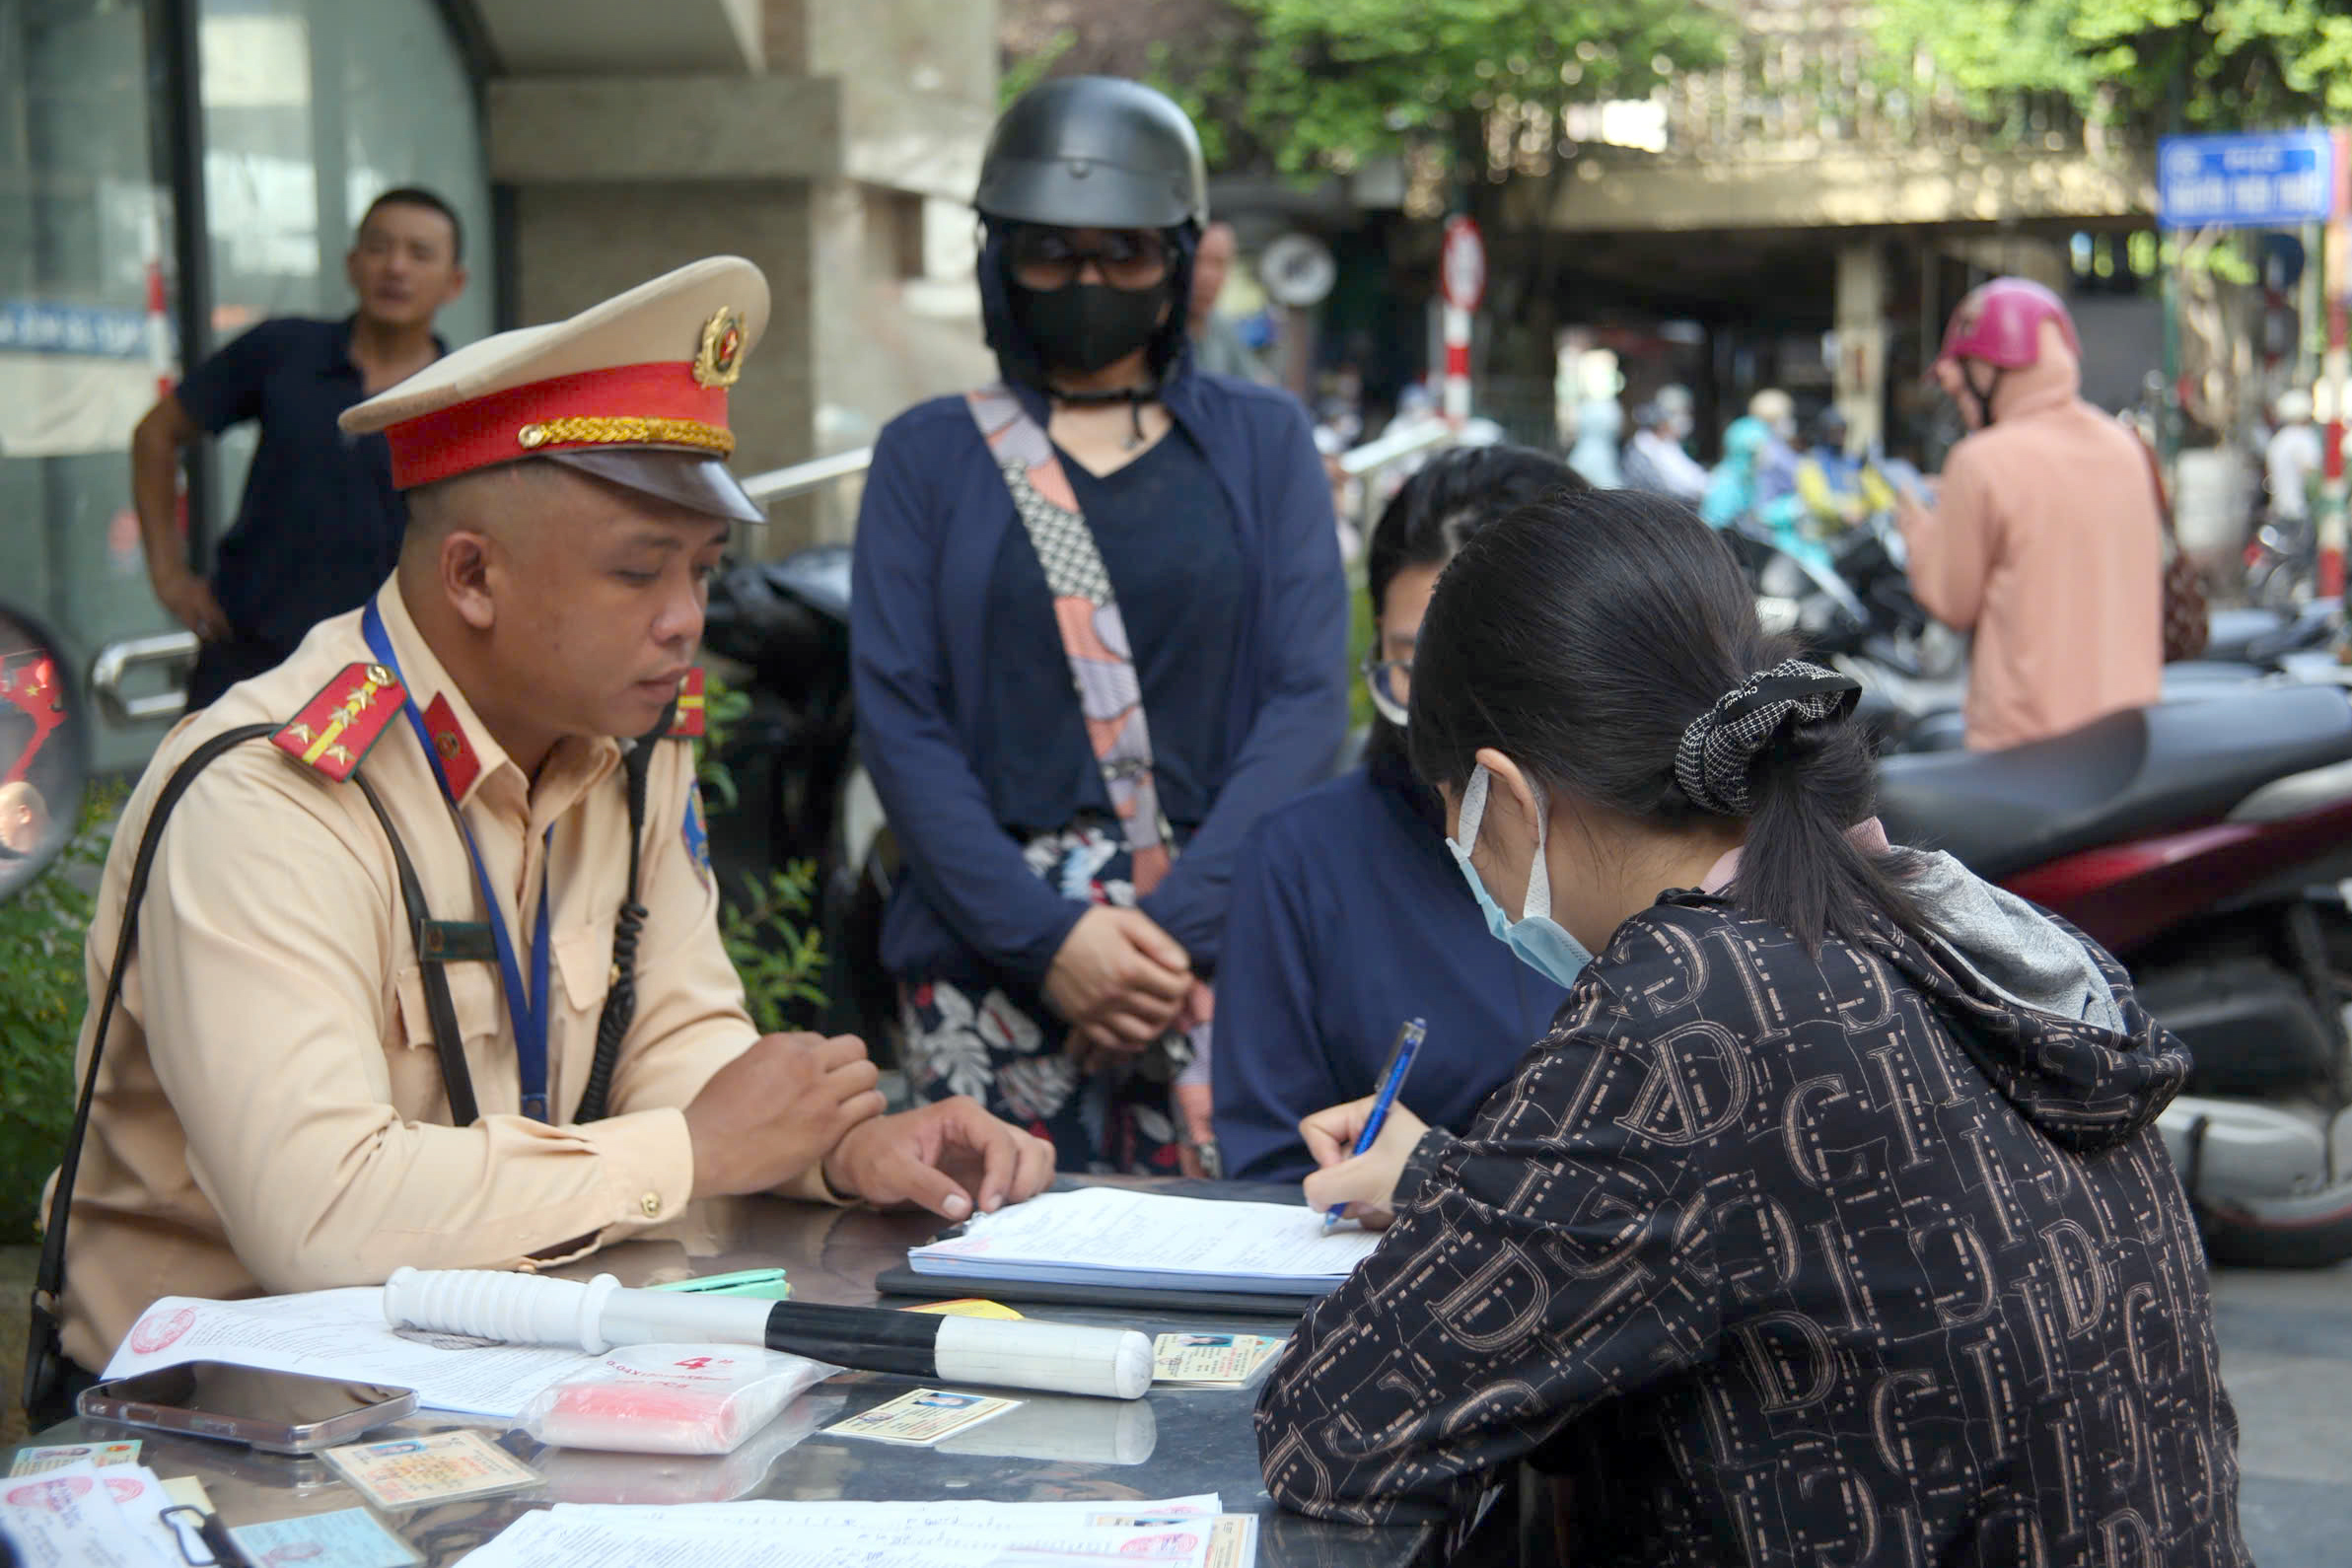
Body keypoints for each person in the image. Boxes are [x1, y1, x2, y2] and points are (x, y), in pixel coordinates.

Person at [37, 258, 1053, 1405]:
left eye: (704, 571)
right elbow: (317, 1217)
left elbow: (676, 1038)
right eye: (640, 573)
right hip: (218, 1422)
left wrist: (833, 1148)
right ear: (473, 575)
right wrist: (692, 1152)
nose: (687, 622)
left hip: (491, 1377)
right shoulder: (271, 795)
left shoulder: (627, 748)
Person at [1254, 486, 2247, 1566]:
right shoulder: (1926, 914)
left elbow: (1335, 1429)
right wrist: (1449, 1183)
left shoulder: (1692, 1005)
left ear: (1504, 794)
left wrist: (1462, 1210)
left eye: (1451, 810)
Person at [851, 77, 1347, 1176]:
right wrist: (1048, 941)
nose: (1088, 283)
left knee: (1236, 1267)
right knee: (990, 1265)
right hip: (987, 962)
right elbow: (899, 721)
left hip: (1213, 961)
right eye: (1051, 254)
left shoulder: (1264, 442)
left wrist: (1167, 937)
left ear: (1176, 259)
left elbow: (1309, 698)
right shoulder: (925, 457)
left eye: (1124, 254)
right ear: (999, 259)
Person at [1213, 447, 1580, 1183]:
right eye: (1415, 664)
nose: (1448, 709)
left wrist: (1432, 1181)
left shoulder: (1660, 852)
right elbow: (1272, 1164)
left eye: (1486, 666)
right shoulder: (1299, 861)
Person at [130, 187, 468, 709]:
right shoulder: (283, 350)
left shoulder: (465, 393)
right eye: (379, 247)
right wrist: (169, 577)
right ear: (352, 264)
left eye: (420, 254)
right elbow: (156, 434)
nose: (396, 267)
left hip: (386, 677)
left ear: (454, 283)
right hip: (247, 661)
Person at [1897, 277, 2161, 750]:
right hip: (2126, 741)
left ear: (1986, 370)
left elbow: (1952, 603)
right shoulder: (2125, 448)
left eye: (1961, 384)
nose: (1961, 402)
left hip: (2026, 745)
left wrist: (1918, 528)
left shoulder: (1979, 462)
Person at [1187, 220, 1270, 383]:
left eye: (1219, 263)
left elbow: (1258, 383)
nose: (1207, 276)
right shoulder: (1157, 328)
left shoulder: (1220, 326)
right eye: (1197, 260)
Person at [1618, 399, 1708, 504]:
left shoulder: (1666, 444)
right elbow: (1660, 489)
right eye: (1667, 422)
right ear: (1660, 425)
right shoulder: (1641, 451)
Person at [2265, 387, 2321, 528]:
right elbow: (2312, 477)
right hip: (2300, 512)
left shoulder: (2278, 439)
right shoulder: (2304, 437)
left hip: (2279, 510)